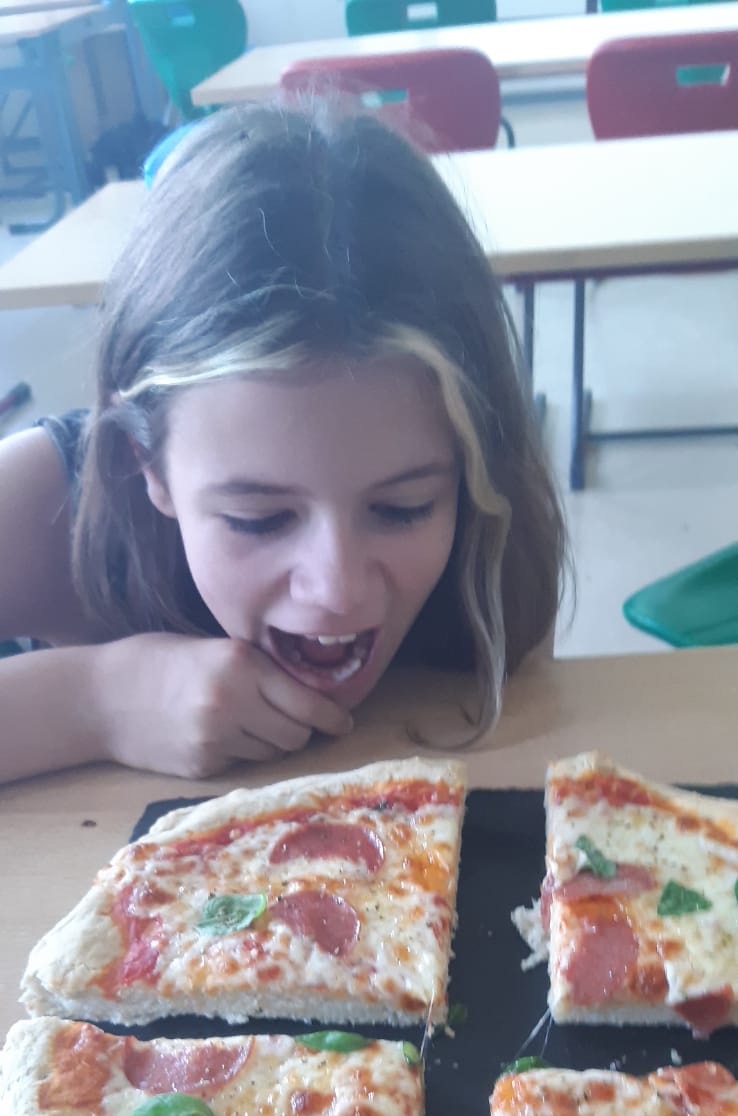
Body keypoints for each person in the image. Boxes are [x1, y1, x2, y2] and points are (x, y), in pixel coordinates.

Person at [0, 99, 568, 786]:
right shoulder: (44, 496)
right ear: (144, 461)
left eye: (404, 508)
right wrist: (94, 701)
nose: (335, 590)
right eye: (258, 518)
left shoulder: (492, 533)